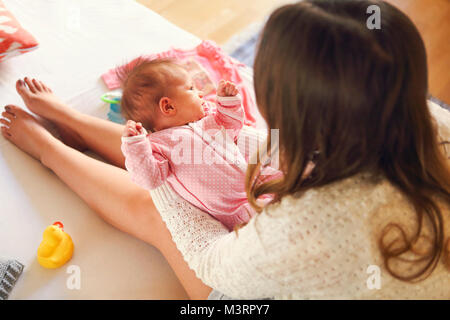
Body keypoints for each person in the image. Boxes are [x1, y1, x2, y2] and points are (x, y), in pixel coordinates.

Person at [1, 0, 449, 299]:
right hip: (294, 222)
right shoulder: (430, 122)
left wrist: (159, 173)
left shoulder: (310, 225)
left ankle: (49, 150)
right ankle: (75, 125)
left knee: (162, 206)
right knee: (214, 148)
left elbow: (211, 262)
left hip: (257, 279)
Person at [119, 58, 281, 230]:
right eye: (191, 89)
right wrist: (135, 146)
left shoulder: (208, 119)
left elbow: (232, 128)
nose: (201, 94)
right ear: (168, 107)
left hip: (256, 178)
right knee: (269, 219)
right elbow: (149, 179)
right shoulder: (158, 146)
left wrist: (228, 103)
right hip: (233, 208)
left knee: (291, 182)